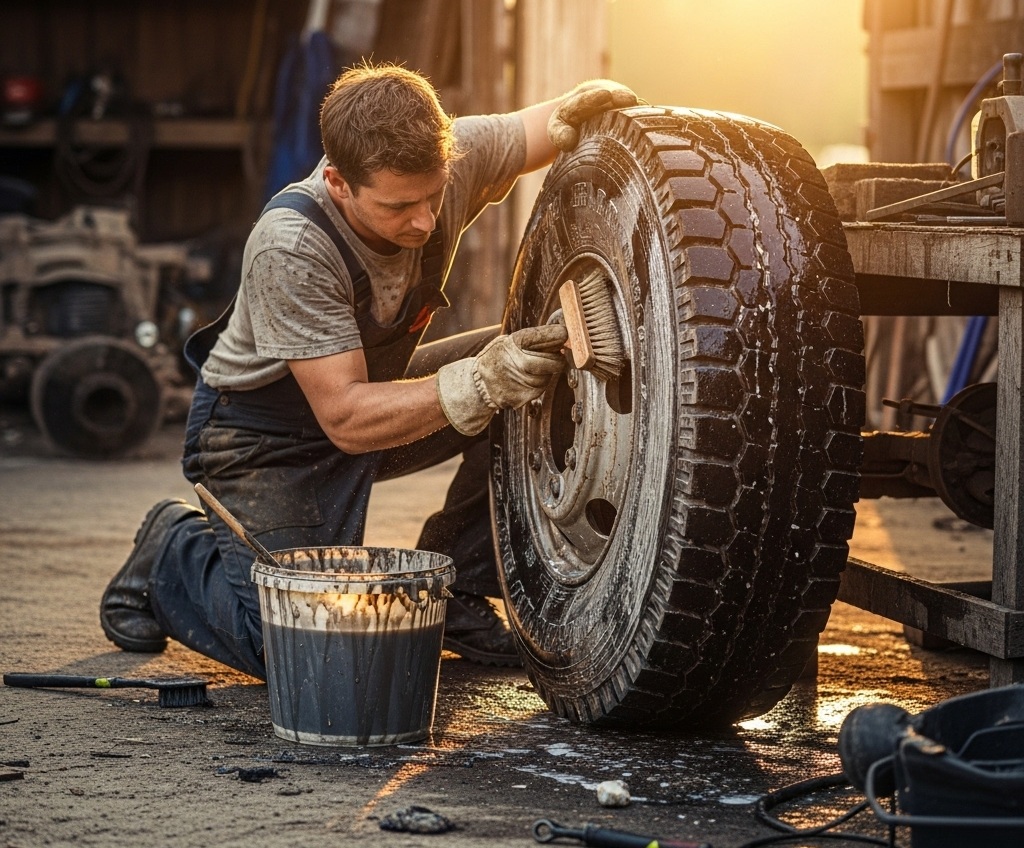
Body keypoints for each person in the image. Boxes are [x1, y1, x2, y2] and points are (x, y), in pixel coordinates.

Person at [99, 61, 638, 676]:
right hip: (262, 441)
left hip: (367, 398)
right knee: (294, 649)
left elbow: (541, 126)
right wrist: (480, 382)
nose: (425, 221)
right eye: (399, 206)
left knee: (536, 369)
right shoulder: (291, 247)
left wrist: (590, 111)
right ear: (338, 182)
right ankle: (170, 548)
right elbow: (347, 421)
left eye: (434, 195)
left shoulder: (445, 162)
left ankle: (460, 587)